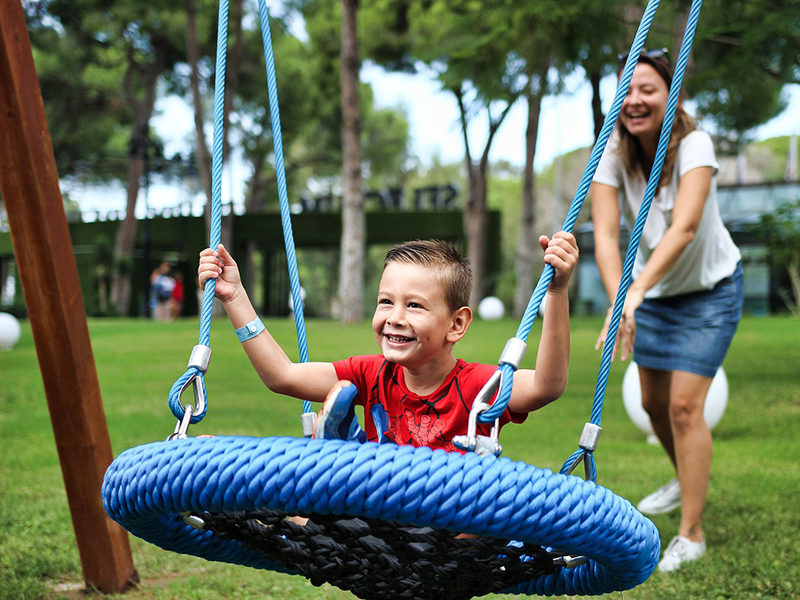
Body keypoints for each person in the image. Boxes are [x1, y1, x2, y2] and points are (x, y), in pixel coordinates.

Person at [197, 234, 578, 454]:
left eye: (414, 306)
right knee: (301, 505)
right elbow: (282, 376)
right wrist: (235, 297)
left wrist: (557, 292)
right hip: (379, 527)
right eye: (385, 302)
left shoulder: (480, 387)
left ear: (456, 324)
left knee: (479, 506)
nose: (395, 317)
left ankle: (341, 452)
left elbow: (546, 386)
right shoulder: (368, 375)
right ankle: (240, 472)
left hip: (449, 534)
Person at [590, 49, 743, 573]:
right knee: (653, 404)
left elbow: (685, 227)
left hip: (709, 291)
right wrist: (621, 301)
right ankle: (685, 477)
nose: (634, 100)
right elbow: (605, 236)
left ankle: (691, 533)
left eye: (648, 89)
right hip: (651, 294)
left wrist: (634, 292)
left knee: (682, 407)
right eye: (627, 90)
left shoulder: (695, 144)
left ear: (672, 96)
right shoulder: (613, 151)